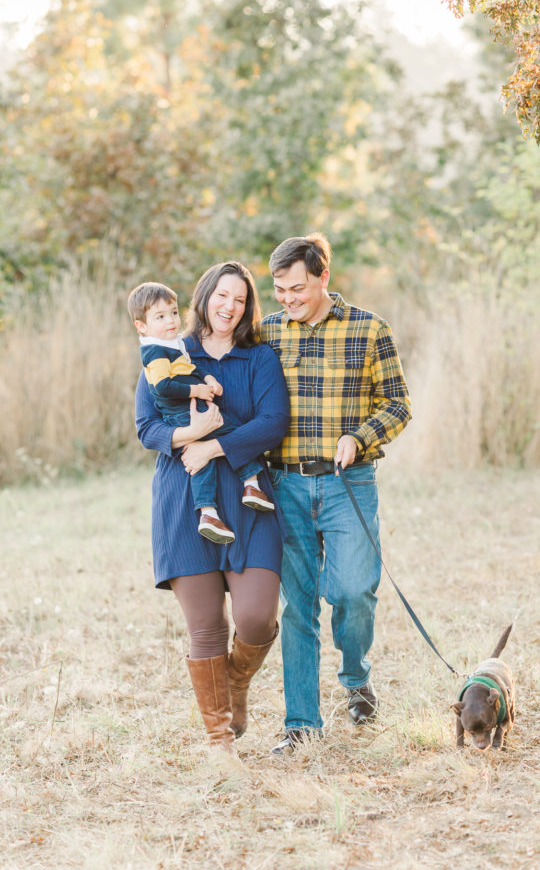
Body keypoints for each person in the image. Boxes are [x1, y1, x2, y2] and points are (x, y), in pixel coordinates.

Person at [260, 233, 411, 754]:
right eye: (279, 289)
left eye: (297, 288)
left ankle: (356, 675)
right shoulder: (267, 334)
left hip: (349, 483)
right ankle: (301, 723)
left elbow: (398, 405)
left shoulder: (370, 330)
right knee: (298, 607)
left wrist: (359, 436)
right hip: (286, 486)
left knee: (352, 591)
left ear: (324, 277)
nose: (287, 298)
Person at [135, 262, 290, 756]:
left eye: (240, 300)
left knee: (256, 618)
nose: (230, 306)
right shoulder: (168, 352)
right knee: (206, 627)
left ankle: (236, 683)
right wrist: (192, 437)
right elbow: (146, 428)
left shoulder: (259, 357)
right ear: (204, 298)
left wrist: (215, 448)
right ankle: (220, 742)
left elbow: (273, 424)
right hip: (185, 499)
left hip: (249, 498)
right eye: (222, 296)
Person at [128, 280, 274, 545]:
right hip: (182, 414)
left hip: (193, 408)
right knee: (224, 437)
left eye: (173, 313)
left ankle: (231, 497)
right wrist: (195, 409)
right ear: (142, 326)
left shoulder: (174, 345)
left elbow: (189, 369)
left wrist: (207, 380)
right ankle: (232, 494)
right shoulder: (155, 350)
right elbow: (162, 388)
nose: (171, 320)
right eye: (160, 316)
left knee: (222, 441)